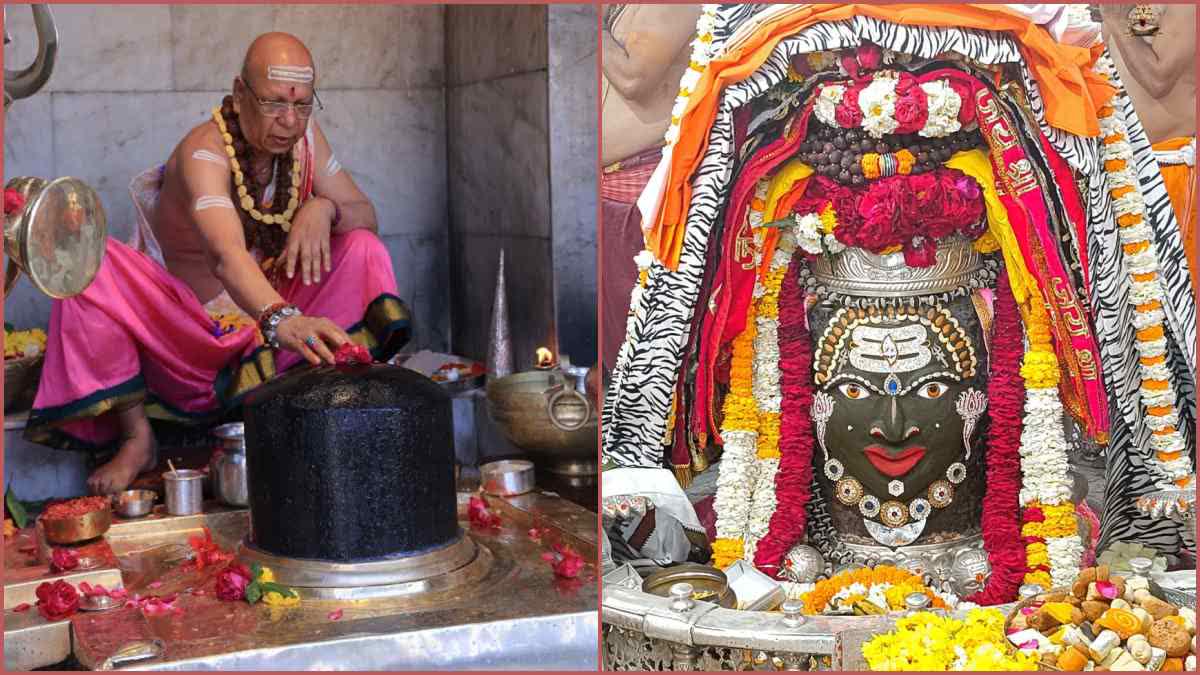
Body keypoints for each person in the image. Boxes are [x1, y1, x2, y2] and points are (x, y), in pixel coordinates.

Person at [27, 33, 410, 494]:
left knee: (363, 248)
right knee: (91, 264)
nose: (290, 122)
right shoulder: (203, 153)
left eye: (304, 106)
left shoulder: (305, 141)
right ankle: (136, 437)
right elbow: (225, 255)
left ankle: (328, 404)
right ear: (239, 92)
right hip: (190, 337)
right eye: (273, 104)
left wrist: (322, 209)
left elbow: (365, 213)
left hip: (268, 325)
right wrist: (281, 319)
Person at [600, 4, 701, 373]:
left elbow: (634, 79)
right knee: (617, 351)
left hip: (639, 201)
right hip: (612, 198)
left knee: (641, 356)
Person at [1101, 4, 1197, 292]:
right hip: (1126, 169)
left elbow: (1158, 78)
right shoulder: (1138, 9)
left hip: (1173, 173)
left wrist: (1114, 17)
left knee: (1178, 295)